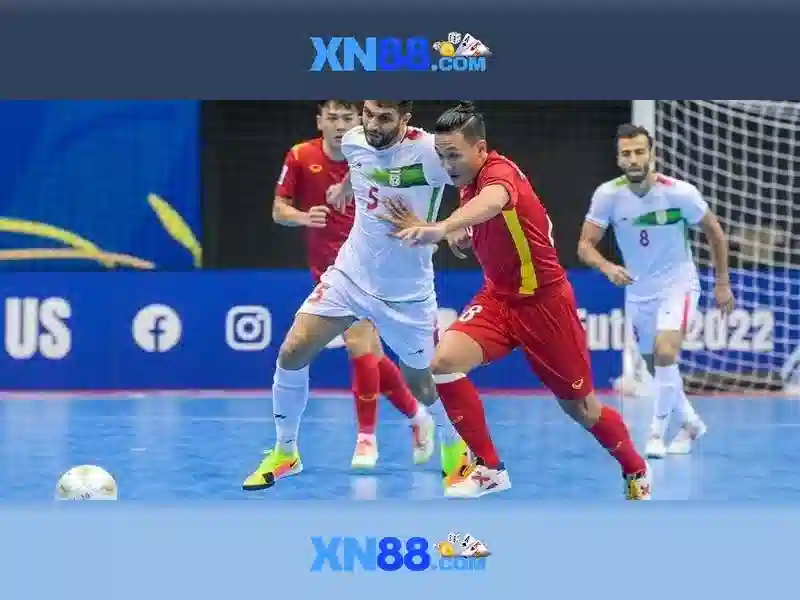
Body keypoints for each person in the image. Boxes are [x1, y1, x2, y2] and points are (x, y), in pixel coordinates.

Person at [381, 101, 652, 500]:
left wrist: (442, 227)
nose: (448, 165)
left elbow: (493, 201)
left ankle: (635, 468)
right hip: (498, 300)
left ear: (480, 148)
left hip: (545, 305)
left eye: (454, 155)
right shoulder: (467, 179)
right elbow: (485, 221)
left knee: (582, 409)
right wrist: (459, 233)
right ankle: (490, 468)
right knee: (443, 363)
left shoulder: (499, 173)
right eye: (442, 156)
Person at [243, 100, 466, 492]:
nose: (373, 124)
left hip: (406, 292)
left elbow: (478, 186)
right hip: (351, 274)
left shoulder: (431, 152)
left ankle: (453, 444)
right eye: (368, 114)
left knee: (422, 382)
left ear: (405, 120)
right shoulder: (354, 141)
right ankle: (286, 452)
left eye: (385, 118)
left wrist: (451, 228)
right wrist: (345, 187)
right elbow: (362, 166)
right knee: (292, 351)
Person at [270, 99, 428, 470]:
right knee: (371, 354)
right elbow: (279, 211)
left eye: (347, 118)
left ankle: (366, 439)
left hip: (371, 269)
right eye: (332, 118)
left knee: (359, 346)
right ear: (320, 121)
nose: (340, 125)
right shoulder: (300, 156)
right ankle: (417, 416)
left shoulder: (379, 151)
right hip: (328, 270)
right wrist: (303, 217)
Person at [578, 123, 734, 458]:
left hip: (678, 283)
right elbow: (585, 245)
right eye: (626, 153)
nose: (633, 159)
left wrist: (722, 283)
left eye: (639, 151)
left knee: (665, 353)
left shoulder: (680, 193)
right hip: (638, 291)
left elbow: (715, 232)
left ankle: (655, 434)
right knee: (655, 366)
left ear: (652, 154)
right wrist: (607, 267)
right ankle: (691, 424)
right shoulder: (608, 196)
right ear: (619, 159)